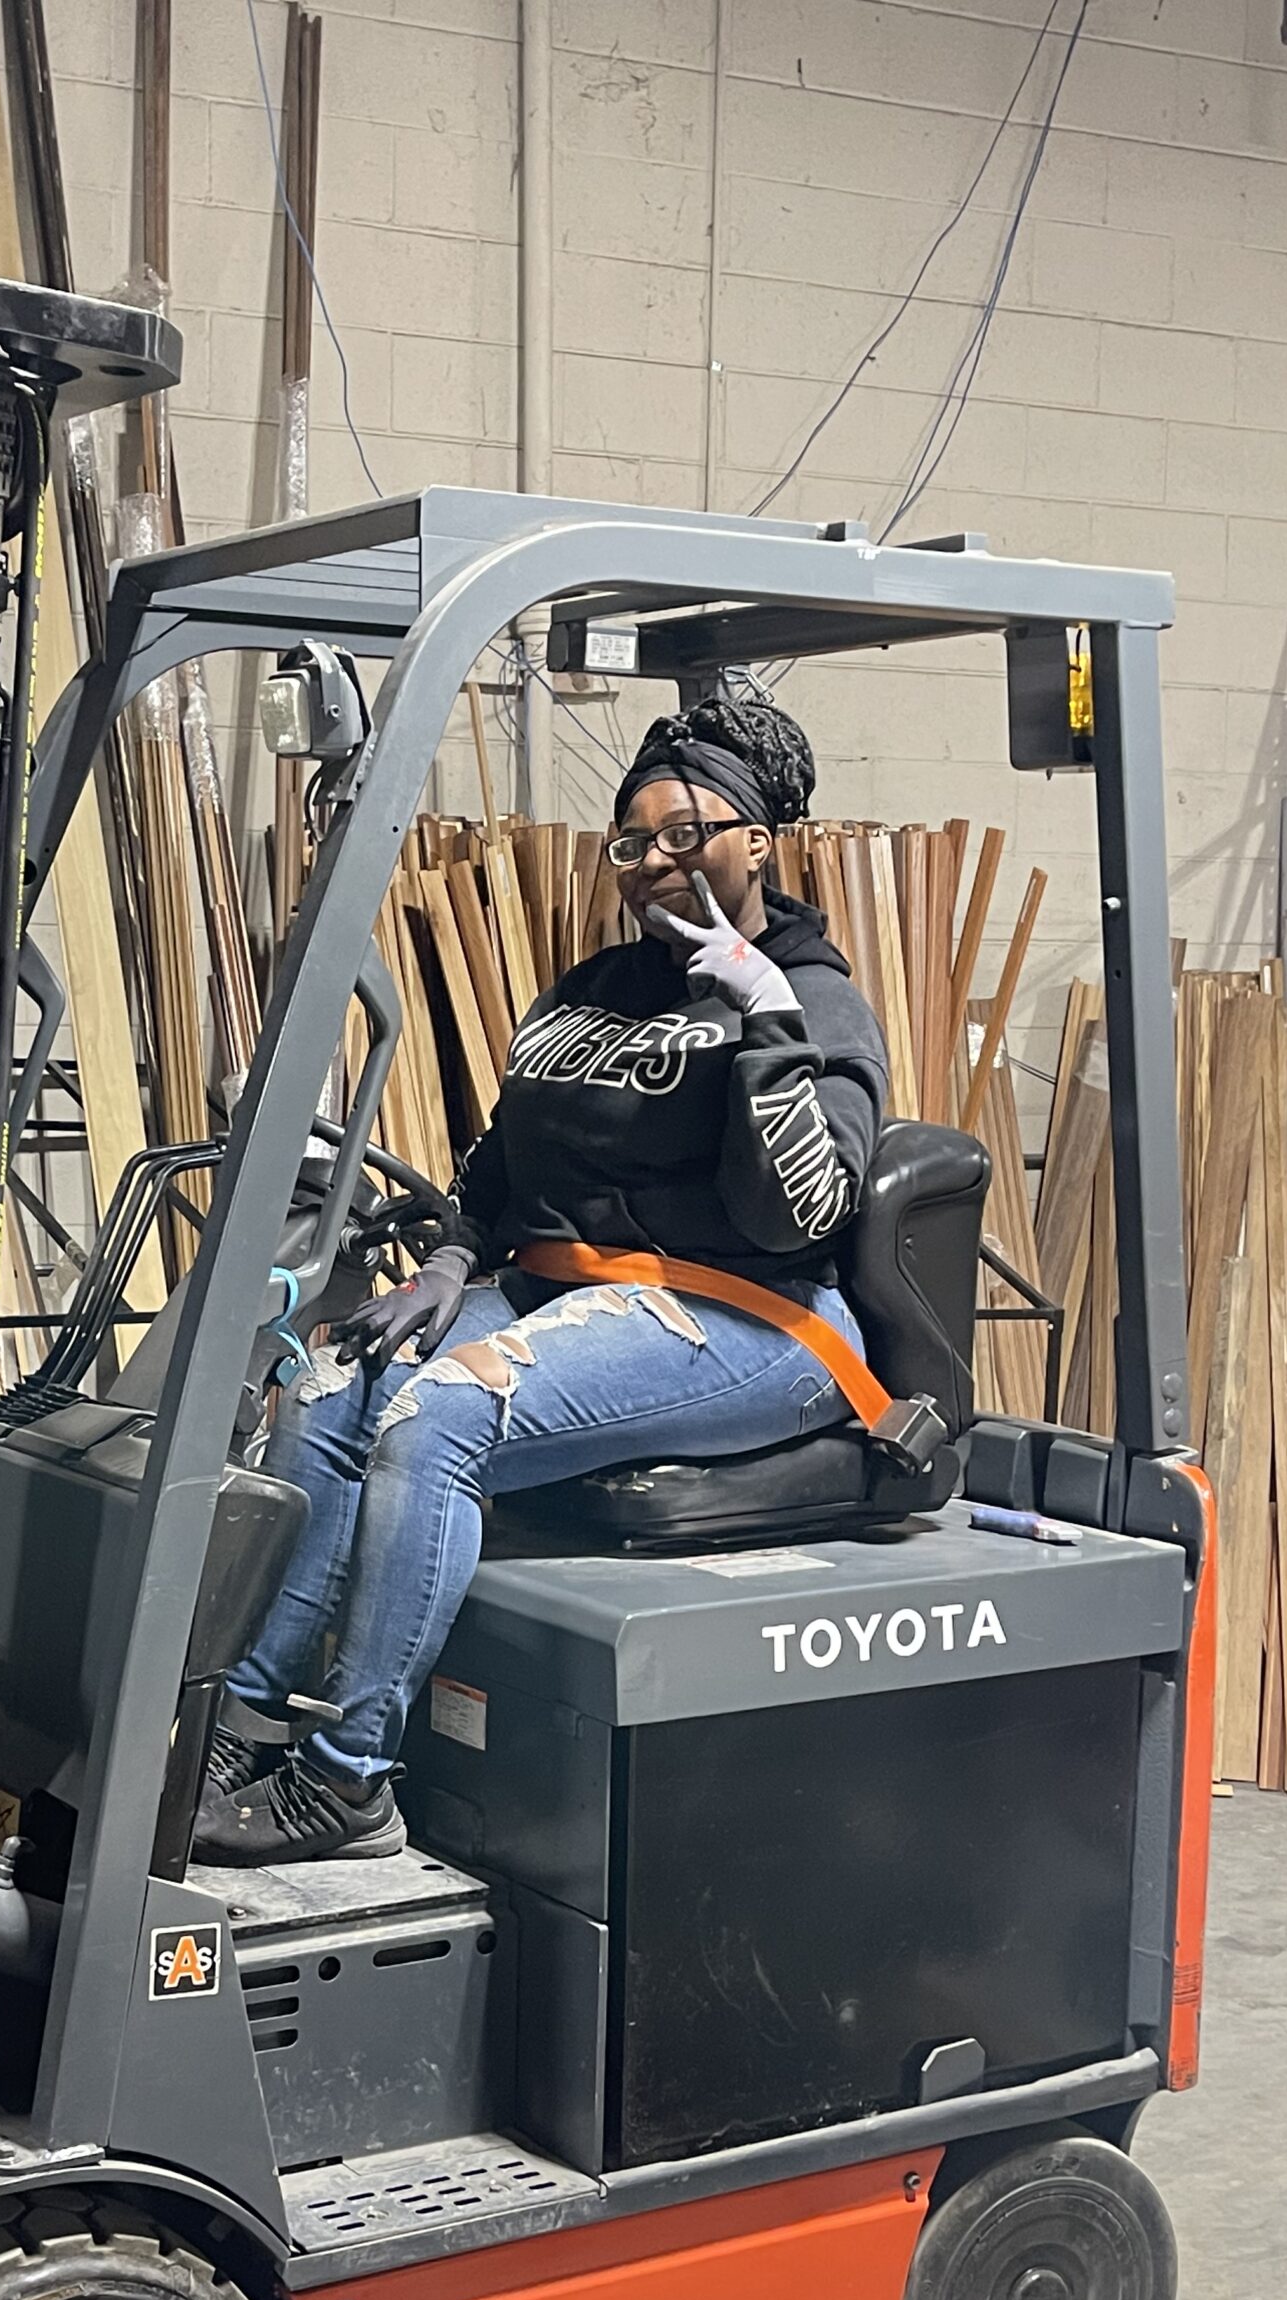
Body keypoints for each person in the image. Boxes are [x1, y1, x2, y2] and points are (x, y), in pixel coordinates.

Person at [194, 694, 888, 1867]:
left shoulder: (814, 1000)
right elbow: (504, 1162)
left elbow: (799, 1212)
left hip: (749, 1314)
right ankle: (246, 1720)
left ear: (759, 840)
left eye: (685, 833)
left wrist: (763, 1021)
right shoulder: (590, 991)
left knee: (439, 1416)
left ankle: (350, 1782)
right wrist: (455, 1259)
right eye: (633, 843)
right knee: (326, 1382)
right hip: (572, 1293)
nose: (657, 862)